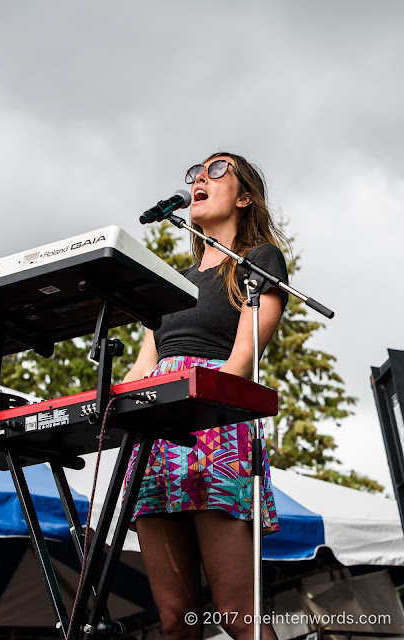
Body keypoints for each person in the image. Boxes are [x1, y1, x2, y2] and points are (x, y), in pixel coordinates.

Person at [122, 152, 289, 640]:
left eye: (218, 171)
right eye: (196, 171)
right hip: (156, 431)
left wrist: (193, 410)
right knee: (176, 619)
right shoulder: (174, 282)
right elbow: (141, 366)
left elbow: (241, 361)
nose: (200, 177)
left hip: (213, 427)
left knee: (238, 614)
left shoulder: (259, 261)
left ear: (243, 197)